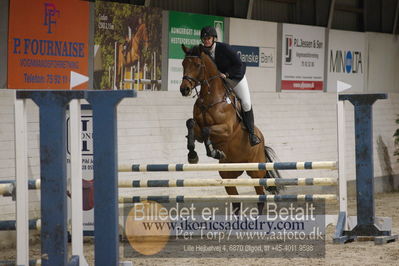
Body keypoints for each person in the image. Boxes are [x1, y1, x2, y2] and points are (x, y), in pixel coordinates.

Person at [200, 26, 261, 146]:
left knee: (246, 103)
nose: (206, 40)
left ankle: (251, 134)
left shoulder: (224, 48)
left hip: (235, 77)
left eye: (208, 38)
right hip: (220, 80)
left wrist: (227, 74)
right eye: (204, 38)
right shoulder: (203, 51)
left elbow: (239, 64)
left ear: (214, 39)